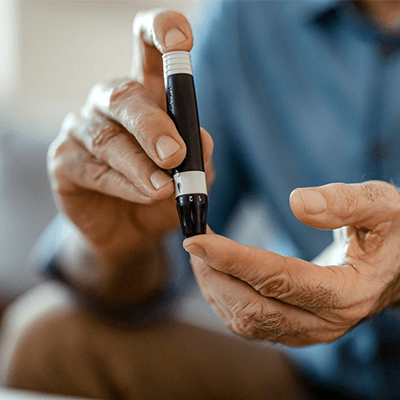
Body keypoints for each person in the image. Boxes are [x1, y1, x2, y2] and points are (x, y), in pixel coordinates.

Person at [1, 0, 400, 399]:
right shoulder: (248, 17)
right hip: (314, 374)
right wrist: (113, 246)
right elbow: (168, 262)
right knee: (49, 340)